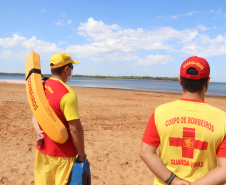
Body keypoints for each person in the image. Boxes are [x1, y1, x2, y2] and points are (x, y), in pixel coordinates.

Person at [140, 56, 226, 185]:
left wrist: (173, 181)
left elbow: (146, 153)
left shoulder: (160, 112)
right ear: (207, 82)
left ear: (180, 80)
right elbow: (224, 170)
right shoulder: (222, 119)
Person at [32, 53, 86, 185]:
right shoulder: (68, 95)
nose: (71, 71)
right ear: (66, 69)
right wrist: (82, 155)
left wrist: (38, 131)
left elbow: (35, 114)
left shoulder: (41, 87)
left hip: (43, 152)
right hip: (64, 155)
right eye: (72, 68)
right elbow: (75, 129)